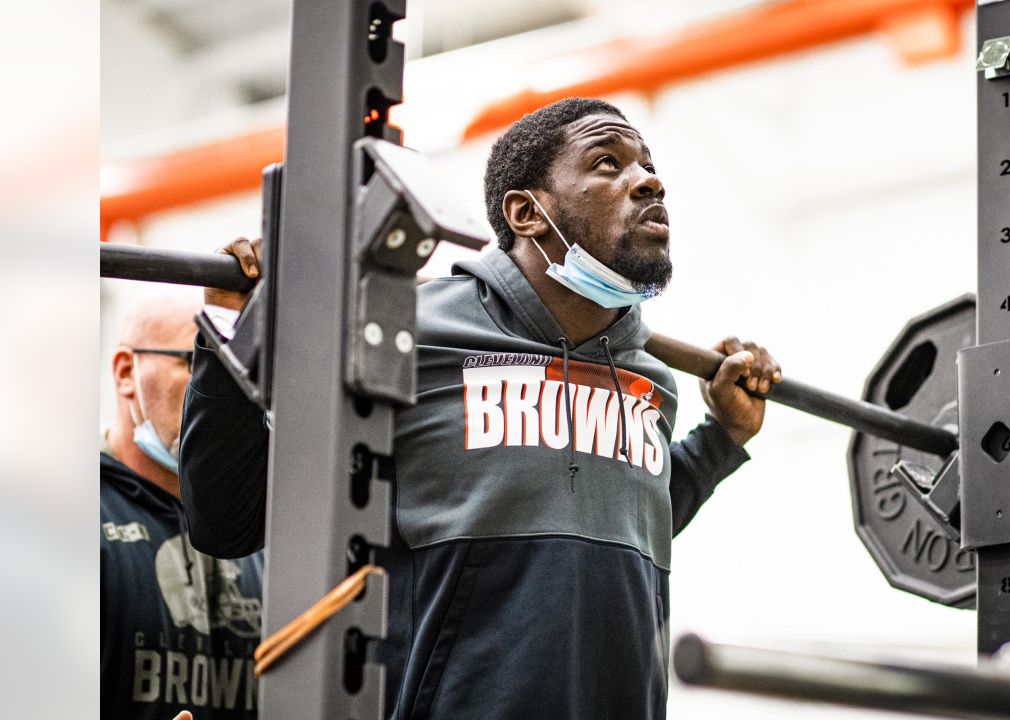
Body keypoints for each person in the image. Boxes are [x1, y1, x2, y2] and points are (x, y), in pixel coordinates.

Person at [180, 97, 780, 719]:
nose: (650, 181)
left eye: (649, 165)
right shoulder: (409, 334)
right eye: (609, 163)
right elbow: (226, 521)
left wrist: (720, 440)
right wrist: (229, 330)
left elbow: (617, 521)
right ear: (527, 213)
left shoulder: (652, 381)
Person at [101, 294, 264, 720]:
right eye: (195, 360)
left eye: (236, 369)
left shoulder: (264, 530)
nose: (216, 388)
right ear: (125, 372)